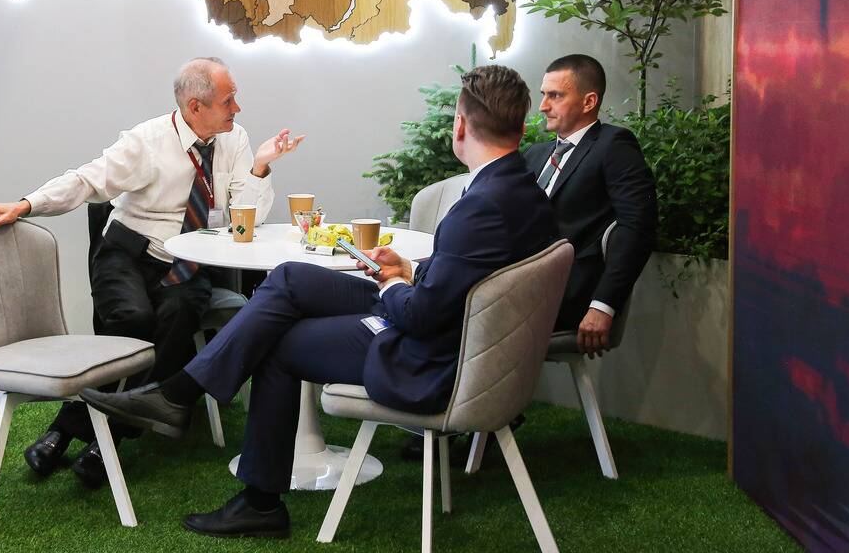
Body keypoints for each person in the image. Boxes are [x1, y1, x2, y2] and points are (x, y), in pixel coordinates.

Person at [81, 65, 559, 538]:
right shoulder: (522, 190)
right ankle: (179, 395)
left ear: (460, 125)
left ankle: (255, 495)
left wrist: (395, 285)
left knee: (279, 343)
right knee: (289, 279)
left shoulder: (480, 207)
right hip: (448, 323)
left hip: (429, 353)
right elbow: (474, 283)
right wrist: (409, 271)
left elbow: (422, 313)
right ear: (518, 123)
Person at [0, 57, 304, 488]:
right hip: (126, 253)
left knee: (181, 314)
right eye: (229, 100)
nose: (237, 108)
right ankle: (94, 435)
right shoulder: (147, 141)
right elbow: (87, 180)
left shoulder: (236, 140)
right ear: (194, 106)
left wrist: (259, 166)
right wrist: (27, 203)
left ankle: (79, 431)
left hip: (187, 259)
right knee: (132, 322)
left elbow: (248, 219)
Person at [528, 54, 657, 356]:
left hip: (567, 294)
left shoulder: (614, 146)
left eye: (555, 96)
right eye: (543, 95)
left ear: (588, 102)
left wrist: (604, 305)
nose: (544, 106)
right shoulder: (535, 154)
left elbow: (637, 226)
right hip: (518, 283)